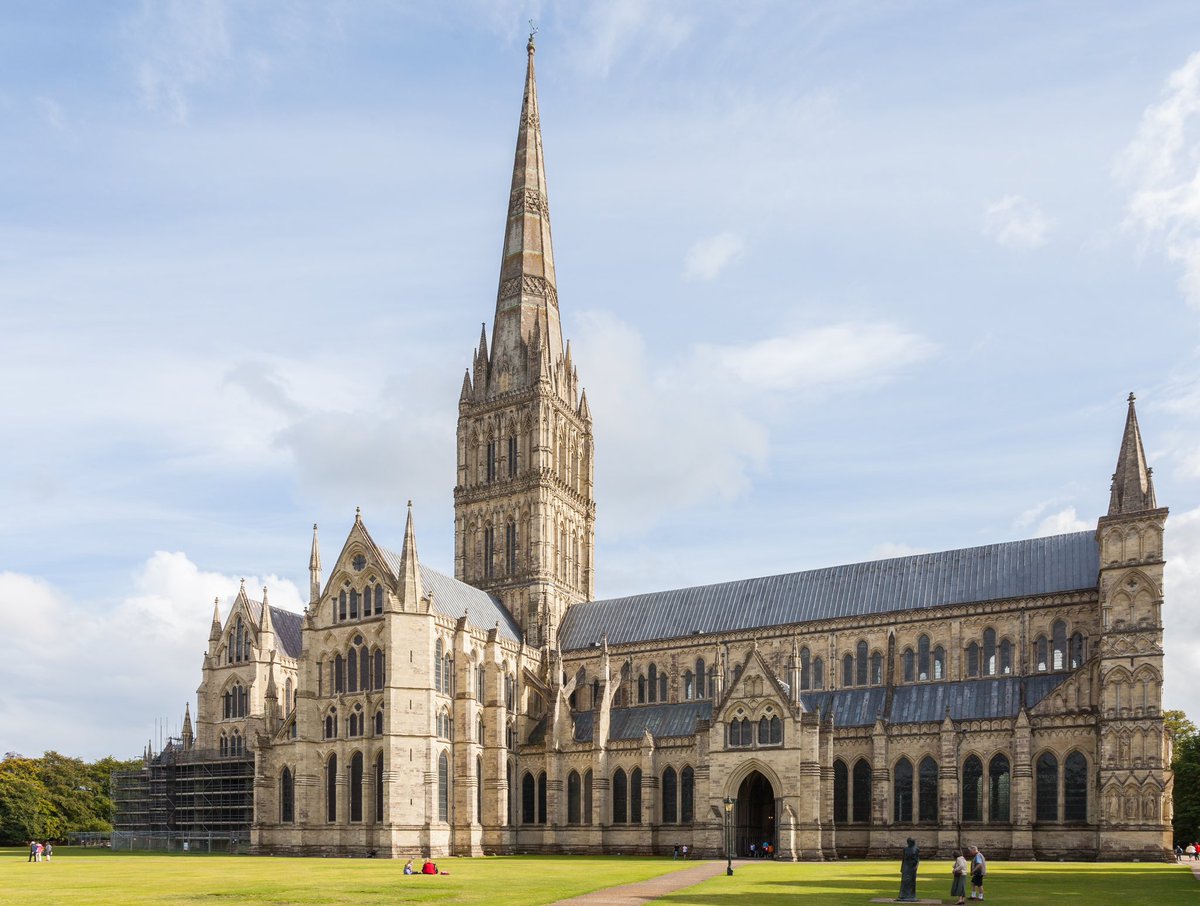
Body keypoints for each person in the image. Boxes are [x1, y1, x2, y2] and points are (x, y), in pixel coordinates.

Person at [898, 837, 919, 902]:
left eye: (909, 842)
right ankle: (903, 895)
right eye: (908, 842)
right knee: (904, 880)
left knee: (911, 881)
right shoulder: (905, 849)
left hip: (912, 866)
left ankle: (911, 895)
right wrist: (902, 868)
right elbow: (903, 859)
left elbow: (917, 859)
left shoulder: (916, 849)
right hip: (906, 866)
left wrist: (916, 867)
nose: (908, 843)